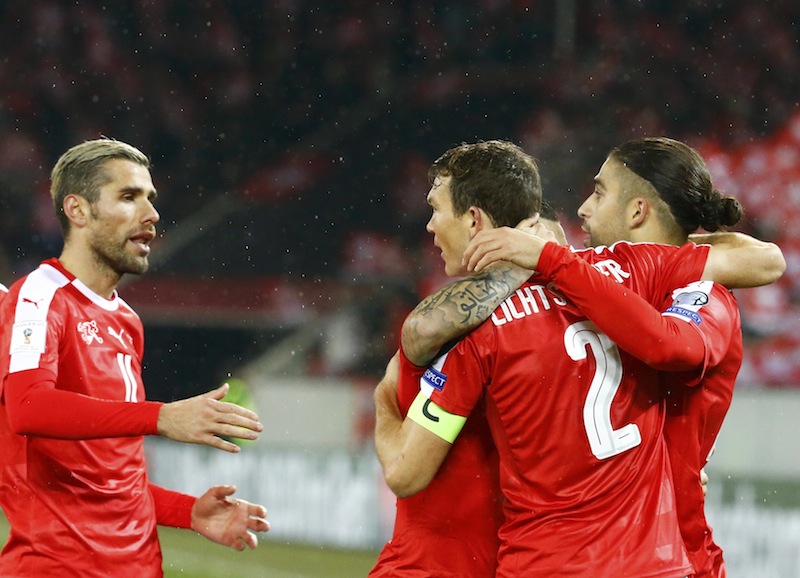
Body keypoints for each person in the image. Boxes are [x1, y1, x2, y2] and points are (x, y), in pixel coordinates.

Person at [372, 140, 784, 576]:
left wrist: (385, 395)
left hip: (526, 562)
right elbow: (763, 259)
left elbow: (405, 471)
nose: (583, 209)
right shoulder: (631, 272)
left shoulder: (474, 332)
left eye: (599, 193)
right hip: (655, 558)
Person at [0, 138, 269, 578]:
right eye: (128, 197)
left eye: (150, 198)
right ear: (78, 210)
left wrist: (188, 512)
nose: (151, 214)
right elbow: (28, 406)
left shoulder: (126, 321)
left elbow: (108, 477)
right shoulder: (39, 297)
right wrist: (160, 417)